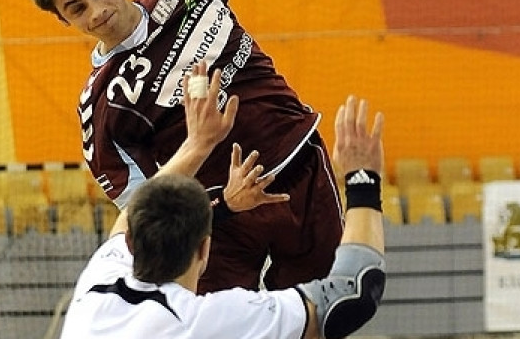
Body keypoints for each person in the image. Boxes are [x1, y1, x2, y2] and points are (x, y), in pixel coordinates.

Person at [26, 0, 343, 293]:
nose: (96, 10)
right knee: (216, 329)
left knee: (324, 310)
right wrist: (224, 206)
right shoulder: (102, 104)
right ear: (63, 20)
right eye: (76, 8)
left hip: (298, 163)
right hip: (219, 223)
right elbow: (142, 211)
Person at [59, 65, 387, 339]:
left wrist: (199, 144)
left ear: (131, 241)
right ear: (204, 251)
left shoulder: (96, 288)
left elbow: (132, 211)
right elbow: (353, 295)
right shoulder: (204, 323)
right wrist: (363, 180)